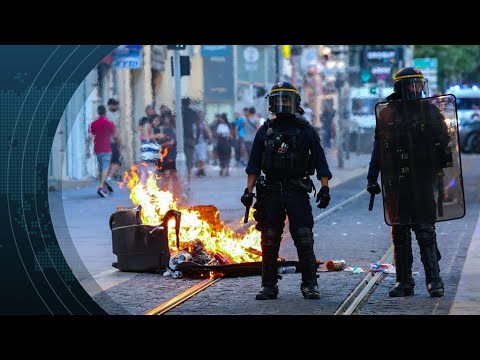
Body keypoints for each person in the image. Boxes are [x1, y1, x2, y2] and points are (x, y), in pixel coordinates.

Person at [241, 82, 332, 300]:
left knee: (303, 237)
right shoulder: (265, 131)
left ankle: (310, 284)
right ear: (272, 103)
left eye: (286, 99)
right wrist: (248, 191)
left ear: (294, 103)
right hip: (271, 191)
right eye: (278, 99)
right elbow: (254, 165)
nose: (282, 103)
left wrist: (325, 188)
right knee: (269, 239)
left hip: (297, 190)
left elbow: (320, 161)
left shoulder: (306, 130)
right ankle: (268, 286)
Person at [367, 67, 452, 298]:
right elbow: (378, 149)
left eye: (418, 84)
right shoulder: (388, 113)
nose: (416, 88)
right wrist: (371, 177)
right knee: (400, 233)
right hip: (397, 181)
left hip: (422, 179)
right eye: (411, 84)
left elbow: (445, 144)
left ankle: (434, 281)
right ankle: (404, 282)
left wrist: (442, 170)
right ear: (401, 88)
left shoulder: (430, 111)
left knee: (425, 231)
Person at [86, 105, 122, 198]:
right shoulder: (109, 123)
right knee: (105, 168)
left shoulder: (93, 123)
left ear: (98, 112)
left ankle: (104, 187)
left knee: (101, 168)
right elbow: (116, 136)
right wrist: (119, 146)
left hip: (97, 148)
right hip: (106, 148)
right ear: (105, 113)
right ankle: (101, 187)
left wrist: (88, 150)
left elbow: (89, 137)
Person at [105, 98, 122, 191]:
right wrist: (120, 143)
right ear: (110, 105)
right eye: (115, 105)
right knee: (117, 162)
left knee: (110, 163)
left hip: (105, 143)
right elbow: (115, 131)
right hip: (112, 142)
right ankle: (108, 178)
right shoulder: (112, 116)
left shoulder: (105, 116)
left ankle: (107, 181)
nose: (117, 107)